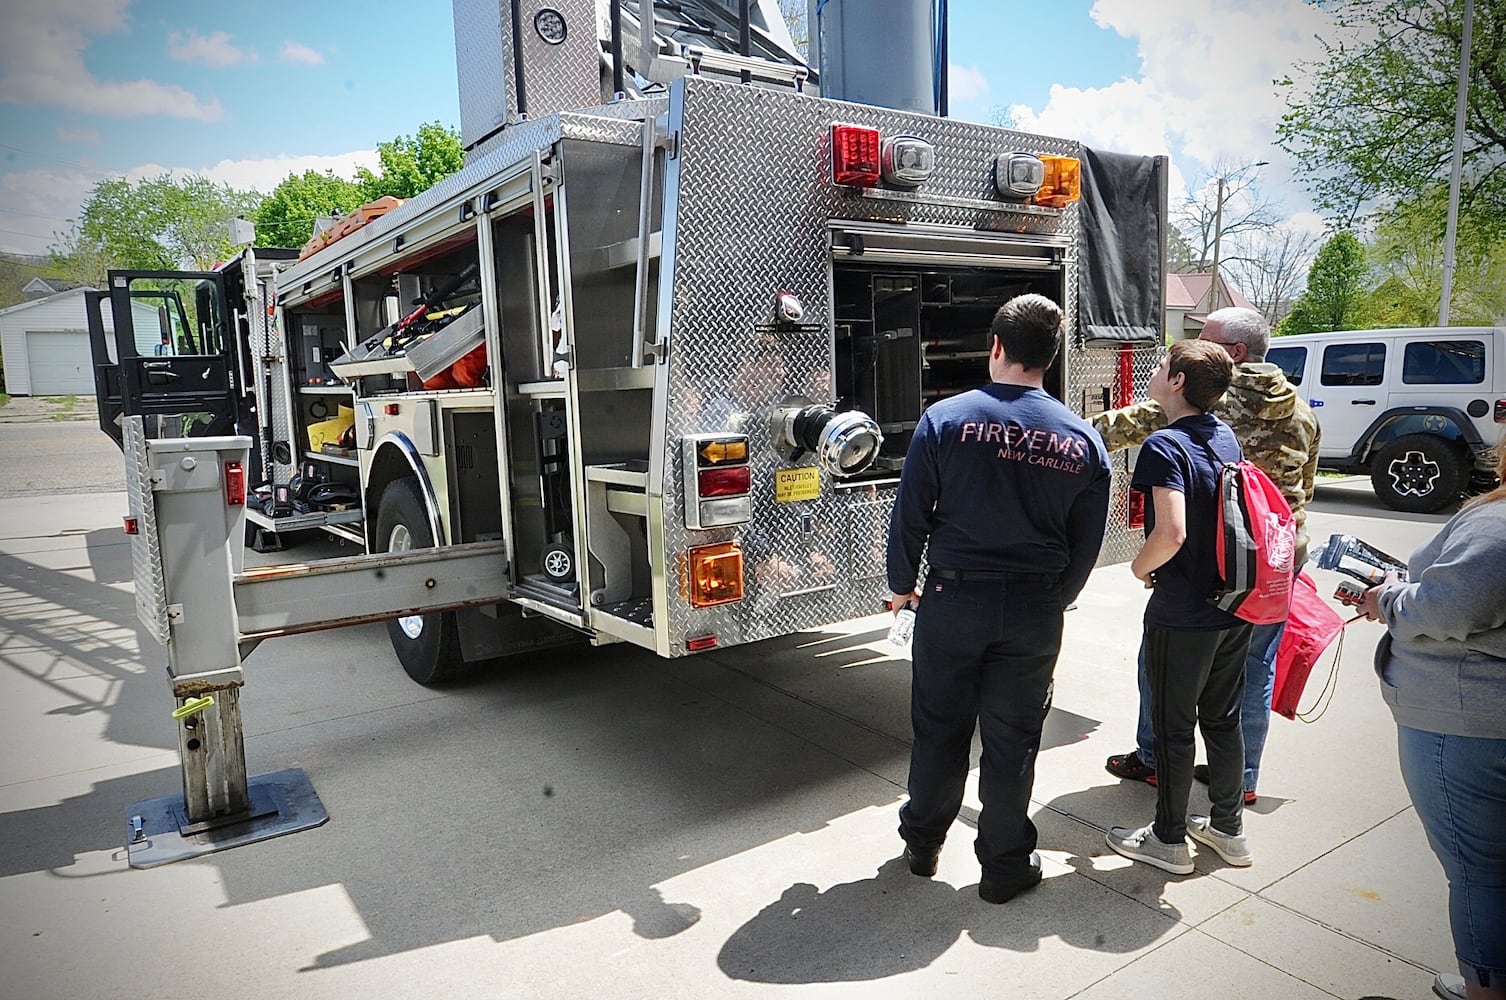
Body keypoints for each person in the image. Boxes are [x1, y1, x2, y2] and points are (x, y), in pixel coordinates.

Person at [886, 293, 1111, 903]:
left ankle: (923, 843)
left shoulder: (946, 419)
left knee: (939, 728)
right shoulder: (1084, 440)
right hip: (1036, 608)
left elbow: (911, 513)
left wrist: (902, 583)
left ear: (996, 347)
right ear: (1053, 356)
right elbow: (1085, 542)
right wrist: (1052, 597)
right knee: (1014, 740)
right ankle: (1005, 865)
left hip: (954, 601)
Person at [1097, 307, 1320, 804]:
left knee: (1163, 664)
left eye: (1206, 337)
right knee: (1255, 669)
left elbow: (1123, 426)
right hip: (1280, 559)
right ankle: (1242, 779)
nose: (1195, 342)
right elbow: (1304, 492)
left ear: (1234, 354)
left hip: (1215, 559)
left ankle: (1155, 757)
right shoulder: (1303, 412)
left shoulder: (1208, 399)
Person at [1357, 435, 1506, 1000]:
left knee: (1479, 872)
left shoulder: (1495, 524)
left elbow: (1449, 604)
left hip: (1466, 723)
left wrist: (1391, 598)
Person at [1105, 339, 1253, 874]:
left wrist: (1141, 568)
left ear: (1178, 382)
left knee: (1172, 726)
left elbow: (1171, 532)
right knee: (1222, 717)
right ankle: (1228, 831)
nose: (1155, 371)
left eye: (1163, 366)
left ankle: (1167, 841)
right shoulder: (1225, 437)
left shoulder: (1164, 446)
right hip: (1234, 605)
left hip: (1184, 609)